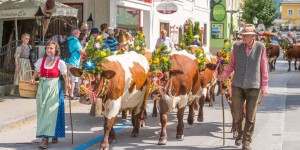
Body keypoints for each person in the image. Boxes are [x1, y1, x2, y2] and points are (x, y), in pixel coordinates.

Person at [217, 24, 268, 150]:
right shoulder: (236, 46)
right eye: (242, 35)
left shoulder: (260, 47)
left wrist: (264, 86)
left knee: (251, 116)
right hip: (237, 85)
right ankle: (239, 134)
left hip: (254, 86)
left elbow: (264, 68)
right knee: (237, 113)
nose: (243, 37)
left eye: (245, 35)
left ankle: (247, 142)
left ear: (252, 36)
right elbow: (231, 65)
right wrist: (224, 75)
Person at [29, 41, 70, 149]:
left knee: (50, 111)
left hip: (54, 88)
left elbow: (65, 76)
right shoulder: (40, 61)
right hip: (42, 88)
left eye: (51, 48)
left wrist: (68, 86)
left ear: (55, 50)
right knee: (43, 111)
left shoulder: (60, 62)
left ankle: (45, 138)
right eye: (47, 48)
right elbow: (37, 72)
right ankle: (54, 133)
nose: (49, 50)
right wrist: (33, 78)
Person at [65, 28, 86, 99]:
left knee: (67, 78)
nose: (79, 34)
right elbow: (82, 52)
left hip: (66, 61)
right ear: (75, 34)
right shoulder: (76, 41)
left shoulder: (68, 39)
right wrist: (86, 46)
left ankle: (66, 93)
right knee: (73, 79)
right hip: (73, 62)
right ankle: (71, 95)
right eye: (79, 33)